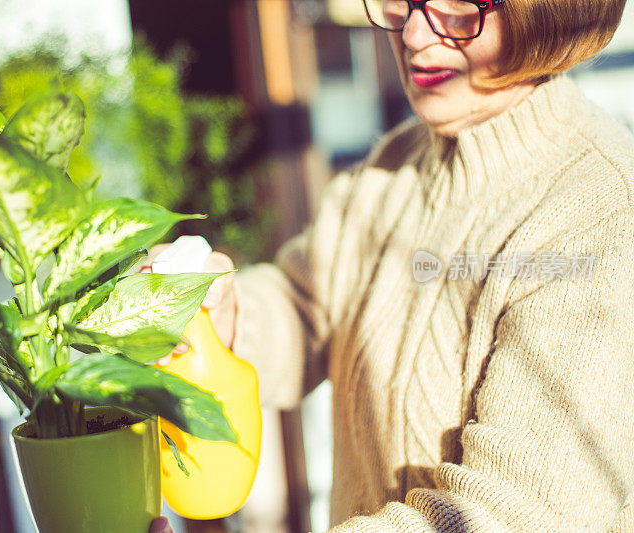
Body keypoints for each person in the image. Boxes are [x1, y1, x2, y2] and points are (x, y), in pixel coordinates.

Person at [149, 0, 634, 530]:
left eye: (455, 4)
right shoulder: (391, 167)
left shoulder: (601, 215)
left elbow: (514, 512)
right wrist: (225, 317)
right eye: (404, 2)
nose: (415, 34)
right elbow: (308, 308)